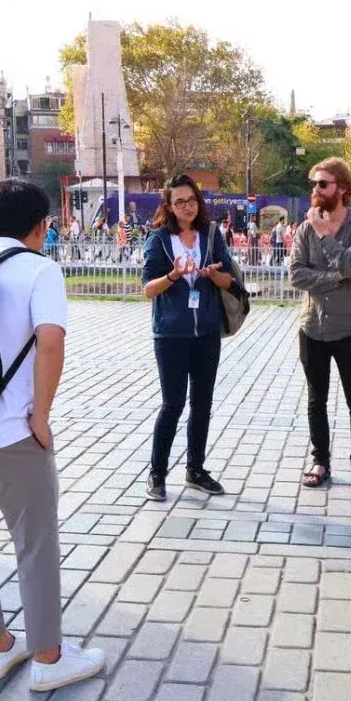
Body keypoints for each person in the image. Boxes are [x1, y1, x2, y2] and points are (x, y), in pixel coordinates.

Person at [0, 179, 107, 690]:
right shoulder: (39, 269)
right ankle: (50, 659)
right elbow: (50, 342)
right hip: (10, 433)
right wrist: (42, 415)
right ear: (40, 225)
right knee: (35, 545)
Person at [141, 175, 235, 502]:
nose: (187, 207)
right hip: (171, 335)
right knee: (173, 404)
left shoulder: (211, 235)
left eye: (191, 200)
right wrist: (174, 275)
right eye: (180, 202)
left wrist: (212, 274)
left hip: (206, 333)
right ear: (169, 205)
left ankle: (196, 469)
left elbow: (230, 282)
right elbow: (147, 290)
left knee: (202, 404)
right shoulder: (158, 240)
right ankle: (157, 472)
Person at [290, 157, 351, 493]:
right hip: (312, 326)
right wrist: (334, 276)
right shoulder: (304, 227)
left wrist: (327, 237)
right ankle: (321, 460)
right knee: (316, 399)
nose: (315, 189)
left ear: (341, 188)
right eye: (313, 183)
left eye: (322, 183)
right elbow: (296, 274)